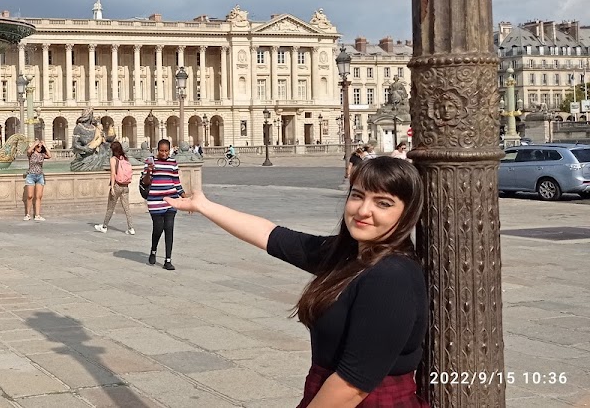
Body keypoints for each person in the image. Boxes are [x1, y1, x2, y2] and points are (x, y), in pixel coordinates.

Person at [165, 157, 428, 407]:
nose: (363, 210)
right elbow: (271, 235)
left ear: (407, 213)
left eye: (383, 203)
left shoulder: (391, 276)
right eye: (358, 195)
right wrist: (204, 205)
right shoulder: (347, 256)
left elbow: (353, 384)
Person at [143, 139, 184, 270]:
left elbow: (176, 182)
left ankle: (168, 260)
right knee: (158, 228)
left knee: (169, 229)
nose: (164, 153)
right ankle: (153, 250)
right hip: (155, 200)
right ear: (157, 150)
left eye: (166, 150)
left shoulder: (173, 162)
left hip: (171, 199)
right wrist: (149, 170)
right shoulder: (150, 161)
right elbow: (145, 182)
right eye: (162, 150)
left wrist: (185, 197)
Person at [96, 141, 135, 234]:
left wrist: (112, 187)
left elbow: (113, 174)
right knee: (127, 208)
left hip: (117, 185)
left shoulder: (113, 159)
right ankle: (131, 228)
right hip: (125, 186)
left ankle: (104, 226)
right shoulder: (125, 159)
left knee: (110, 207)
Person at [23, 139, 51, 221]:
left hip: (40, 176)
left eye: (40, 147)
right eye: (38, 146)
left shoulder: (42, 154)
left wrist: (45, 145)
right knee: (29, 196)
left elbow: (49, 156)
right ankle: (27, 214)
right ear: (35, 147)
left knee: (38, 196)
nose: (39, 147)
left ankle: (37, 215)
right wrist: (35, 144)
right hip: (31, 176)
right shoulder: (31, 154)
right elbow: (28, 151)